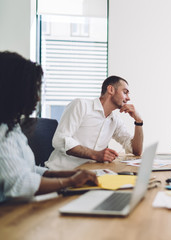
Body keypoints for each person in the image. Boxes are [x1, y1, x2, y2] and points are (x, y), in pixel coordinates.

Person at [0, 51, 98, 203]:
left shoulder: (12, 127)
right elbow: (20, 185)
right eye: (32, 89)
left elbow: (28, 169)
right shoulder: (2, 133)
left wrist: (67, 175)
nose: (37, 97)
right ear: (12, 90)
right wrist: (70, 182)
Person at [45, 75, 144, 170]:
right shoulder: (81, 105)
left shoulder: (115, 121)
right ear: (111, 90)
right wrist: (95, 154)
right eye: (125, 92)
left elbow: (136, 151)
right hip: (61, 173)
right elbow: (59, 140)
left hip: (90, 174)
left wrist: (138, 121)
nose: (128, 98)